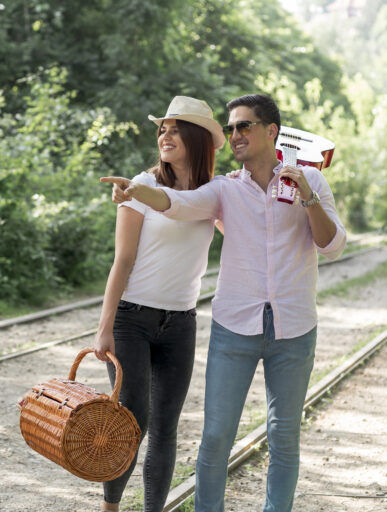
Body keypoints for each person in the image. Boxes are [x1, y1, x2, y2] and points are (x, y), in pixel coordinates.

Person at [101, 94, 346, 512]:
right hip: (233, 326)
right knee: (212, 437)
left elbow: (333, 245)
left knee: (283, 437)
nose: (235, 135)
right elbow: (176, 204)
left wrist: (307, 194)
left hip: (293, 327)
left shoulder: (310, 182)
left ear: (271, 132)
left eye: (243, 126)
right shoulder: (225, 189)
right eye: (231, 128)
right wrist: (137, 191)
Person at [93, 96, 225, 512]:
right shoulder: (139, 185)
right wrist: (104, 326)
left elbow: (243, 226)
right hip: (132, 318)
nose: (164, 135)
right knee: (133, 420)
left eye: (174, 128)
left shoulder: (215, 194)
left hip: (182, 322)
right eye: (161, 129)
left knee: (166, 428)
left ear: (197, 138)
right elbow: (123, 260)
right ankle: (111, 506)